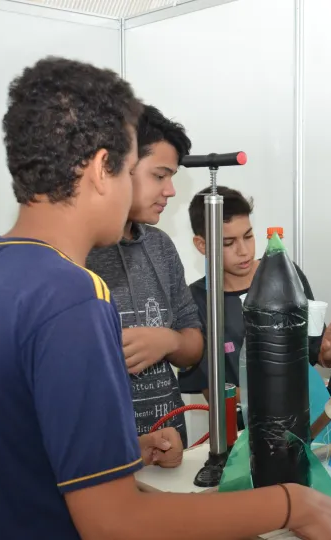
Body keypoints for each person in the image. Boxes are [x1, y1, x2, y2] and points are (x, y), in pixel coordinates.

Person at [0, 57, 331, 540]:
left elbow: (13, 446)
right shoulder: (74, 297)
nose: (137, 192)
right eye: (130, 172)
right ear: (103, 169)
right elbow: (114, 525)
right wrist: (287, 503)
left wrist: (125, 458)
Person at [86, 104, 202, 444]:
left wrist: (169, 341)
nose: (170, 191)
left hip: (168, 445)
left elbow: (193, 343)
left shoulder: (160, 246)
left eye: (172, 178)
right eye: (159, 175)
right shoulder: (75, 252)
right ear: (116, 167)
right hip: (102, 457)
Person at [179, 185, 331, 401]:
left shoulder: (285, 275)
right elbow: (213, 391)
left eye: (248, 236)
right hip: (242, 429)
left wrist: (328, 355)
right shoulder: (198, 300)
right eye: (229, 243)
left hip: (303, 417)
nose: (243, 250)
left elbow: (316, 354)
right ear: (202, 244)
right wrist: (270, 399)